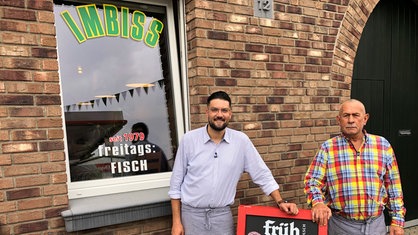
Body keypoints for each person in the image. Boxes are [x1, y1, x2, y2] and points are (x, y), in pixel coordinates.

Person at [168, 91, 299, 235]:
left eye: (224, 110)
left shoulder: (241, 142)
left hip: (222, 217)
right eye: (214, 110)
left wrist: (280, 201)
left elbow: (262, 175)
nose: (219, 114)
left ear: (230, 114)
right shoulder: (189, 140)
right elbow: (176, 184)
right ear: (207, 112)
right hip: (191, 216)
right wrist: (176, 222)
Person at [304, 99, 406, 235]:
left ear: (365, 119)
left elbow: (394, 187)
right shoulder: (328, 148)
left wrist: (397, 221)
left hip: (376, 225)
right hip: (341, 226)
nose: (351, 120)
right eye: (346, 115)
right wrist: (318, 203)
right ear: (338, 119)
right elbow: (312, 182)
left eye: (356, 115)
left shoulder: (383, 145)